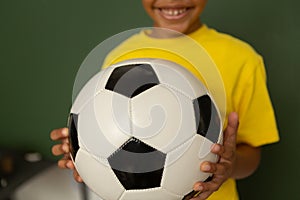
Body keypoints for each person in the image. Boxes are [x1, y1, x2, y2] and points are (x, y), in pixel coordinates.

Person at [50, 0, 279, 199]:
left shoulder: (242, 58)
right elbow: (109, 133)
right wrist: (85, 148)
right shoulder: (119, 58)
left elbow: (252, 154)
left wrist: (229, 167)